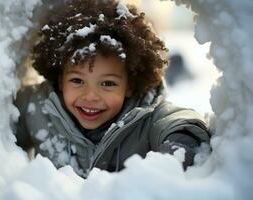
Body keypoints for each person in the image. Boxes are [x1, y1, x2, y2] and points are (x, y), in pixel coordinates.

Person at [14, 0, 210, 177]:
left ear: (130, 86)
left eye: (108, 83)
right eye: (77, 80)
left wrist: (177, 149)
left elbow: (181, 123)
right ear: (60, 79)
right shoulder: (39, 107)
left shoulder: (145, 118)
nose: (90, 96)